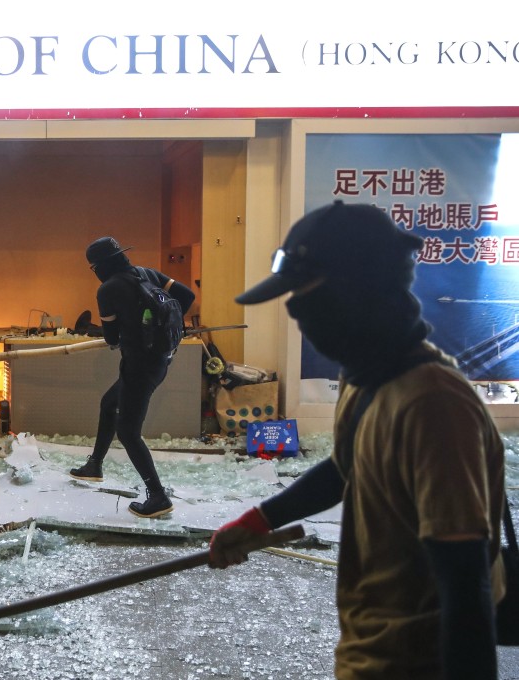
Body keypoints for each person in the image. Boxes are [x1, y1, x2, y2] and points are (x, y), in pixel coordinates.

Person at [208, 200, 504, 679]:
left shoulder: (432, 404)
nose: (299, 315)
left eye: (307, 298)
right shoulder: (366, 379)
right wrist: (261, 519)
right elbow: (349, 466)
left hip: (418, 663)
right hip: (371, 650)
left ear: (355, 291)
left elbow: (465, 586)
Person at [69, 236, 196, 518]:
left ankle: (158, 497)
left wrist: (135, 331)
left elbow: (112, 338)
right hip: (161, 359)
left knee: (127, 431)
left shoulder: (107, 290)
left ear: (98, 267)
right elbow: (186, 296)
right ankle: (95, 465)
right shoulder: (147, 273)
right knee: (108, 403)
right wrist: (164, 327)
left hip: (139, 366)